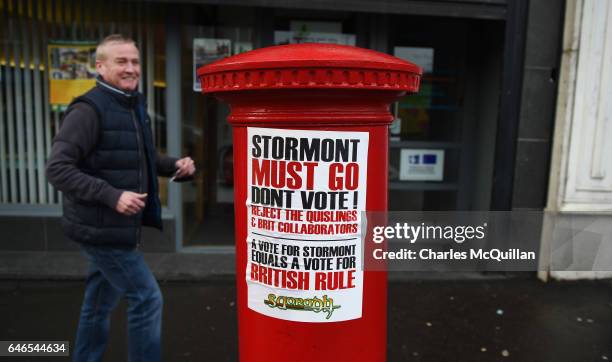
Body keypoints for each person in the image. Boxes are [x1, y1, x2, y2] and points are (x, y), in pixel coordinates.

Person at [46, 34, 195, 362]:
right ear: (100, 66)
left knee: (97, 305)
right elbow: (57, 168)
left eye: (135, 61)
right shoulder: (88, 110)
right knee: (147, 299)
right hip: (102, 229)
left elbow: (140, 157)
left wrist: (175, 166)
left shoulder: (132, 104)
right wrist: (112, 196)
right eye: (121, 61)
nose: (131, 68)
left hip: (116, 227)